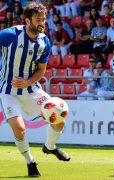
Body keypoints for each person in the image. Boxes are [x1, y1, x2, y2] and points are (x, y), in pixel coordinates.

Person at [0, 2, 70, 177]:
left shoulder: (44, 41)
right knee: (19, 129)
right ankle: (30, 162)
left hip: (31, 90)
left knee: (59, 118)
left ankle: (50, 147)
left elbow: (41, 69)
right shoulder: (10, 35)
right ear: (27, 20)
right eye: (38, 20)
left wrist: (27, 82)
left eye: (44, 20)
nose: (42, 24)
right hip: (9, 92)